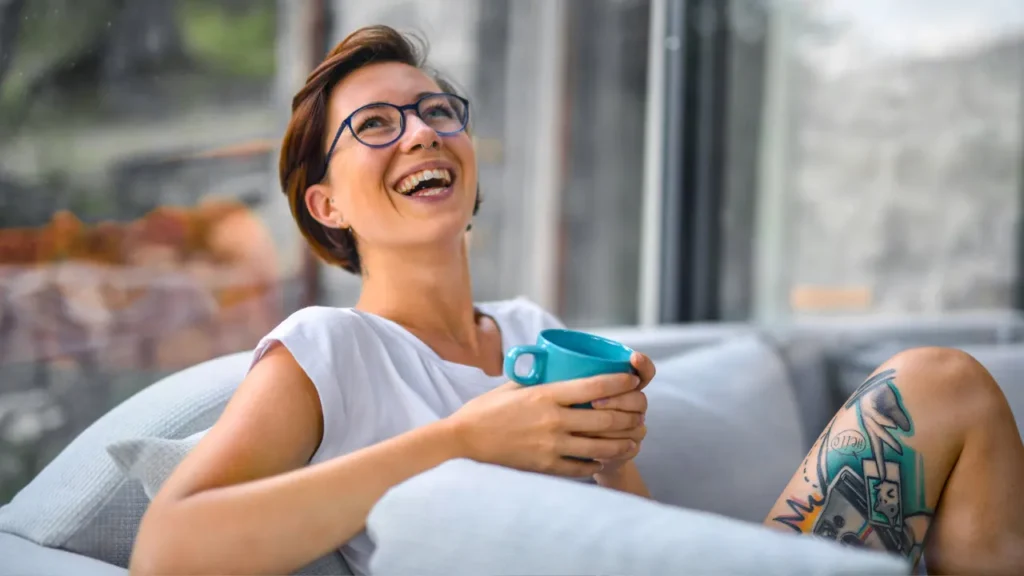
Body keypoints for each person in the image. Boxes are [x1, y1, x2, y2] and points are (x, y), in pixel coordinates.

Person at [130, 25, 1024, 576]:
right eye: (375, 124)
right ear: (324, 204)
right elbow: (167, 552)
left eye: (438, 111)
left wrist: (614, 450)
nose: (421, 132)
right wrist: (460, 442)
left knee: (943, 384)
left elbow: (626, 529)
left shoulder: (534, 331)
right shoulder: (327, 349)